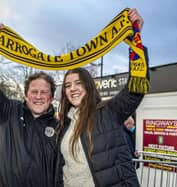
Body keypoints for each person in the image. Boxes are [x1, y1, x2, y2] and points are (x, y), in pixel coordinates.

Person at [55, 9, 147, 186]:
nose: (72, 88)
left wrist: (136, 44)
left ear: (89, 87)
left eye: (78, 83)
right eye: (67, 85)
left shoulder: (108, 112)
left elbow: (135, 89)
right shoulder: (64, 124)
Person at [0, 44, 58, 186]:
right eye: (34, 91)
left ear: (51, 97)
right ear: (25, 95)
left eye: (44, 92)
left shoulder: (60, 128)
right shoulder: (8, 109)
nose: (38, 96)